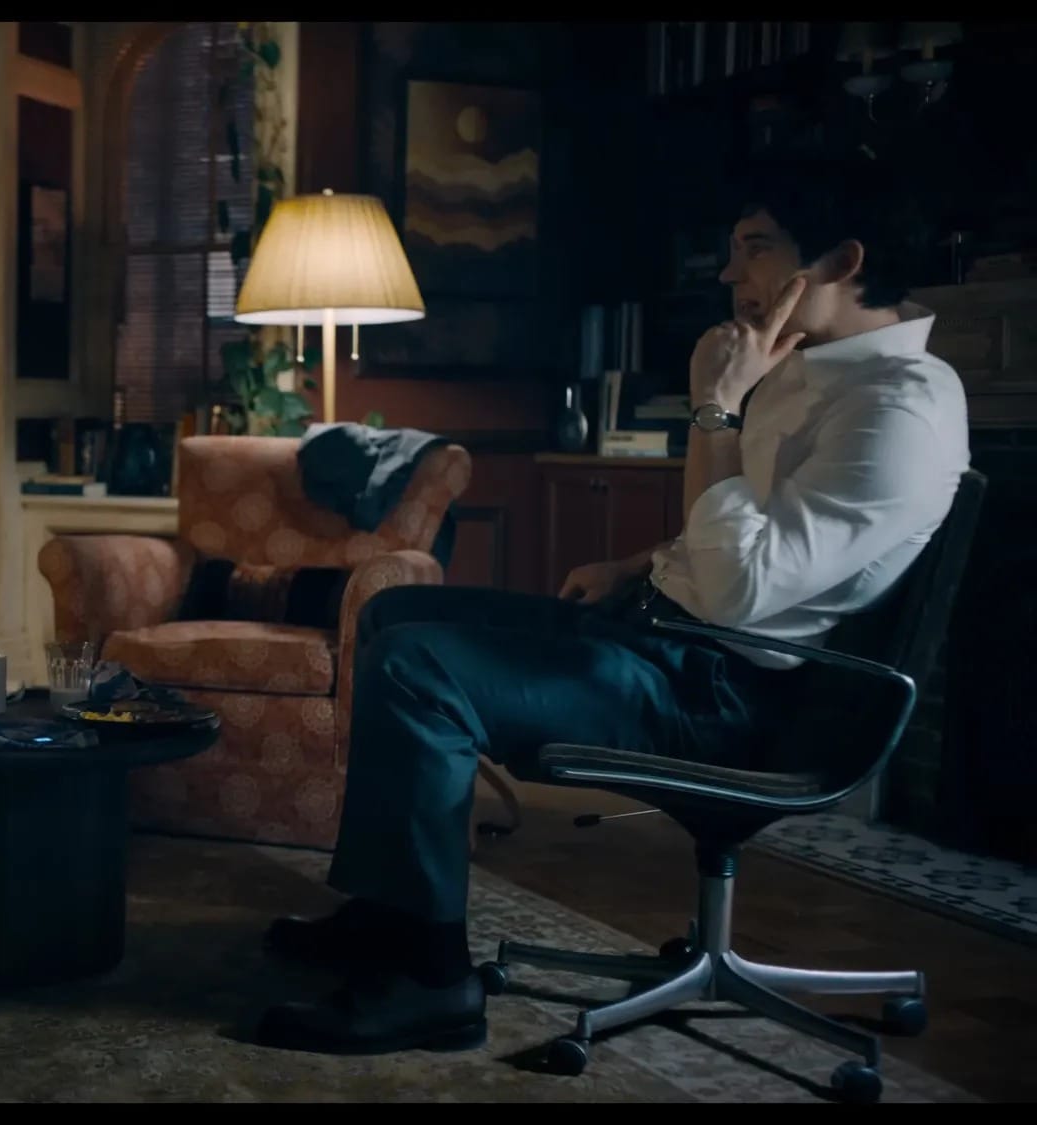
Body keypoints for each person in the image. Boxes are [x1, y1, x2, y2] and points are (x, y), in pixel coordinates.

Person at [250, 159, 971, 1055]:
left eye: (754, 248)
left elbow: (743, 586)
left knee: (417, 667)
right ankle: (390, 913)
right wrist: (637, 563)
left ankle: (431, 980)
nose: (729, 272)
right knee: (395, 615)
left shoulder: (901, 411)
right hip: (668, 635)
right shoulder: (806, 368)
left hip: (736, 699)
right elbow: (747, 538)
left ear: (840, 262)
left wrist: (714, 409)